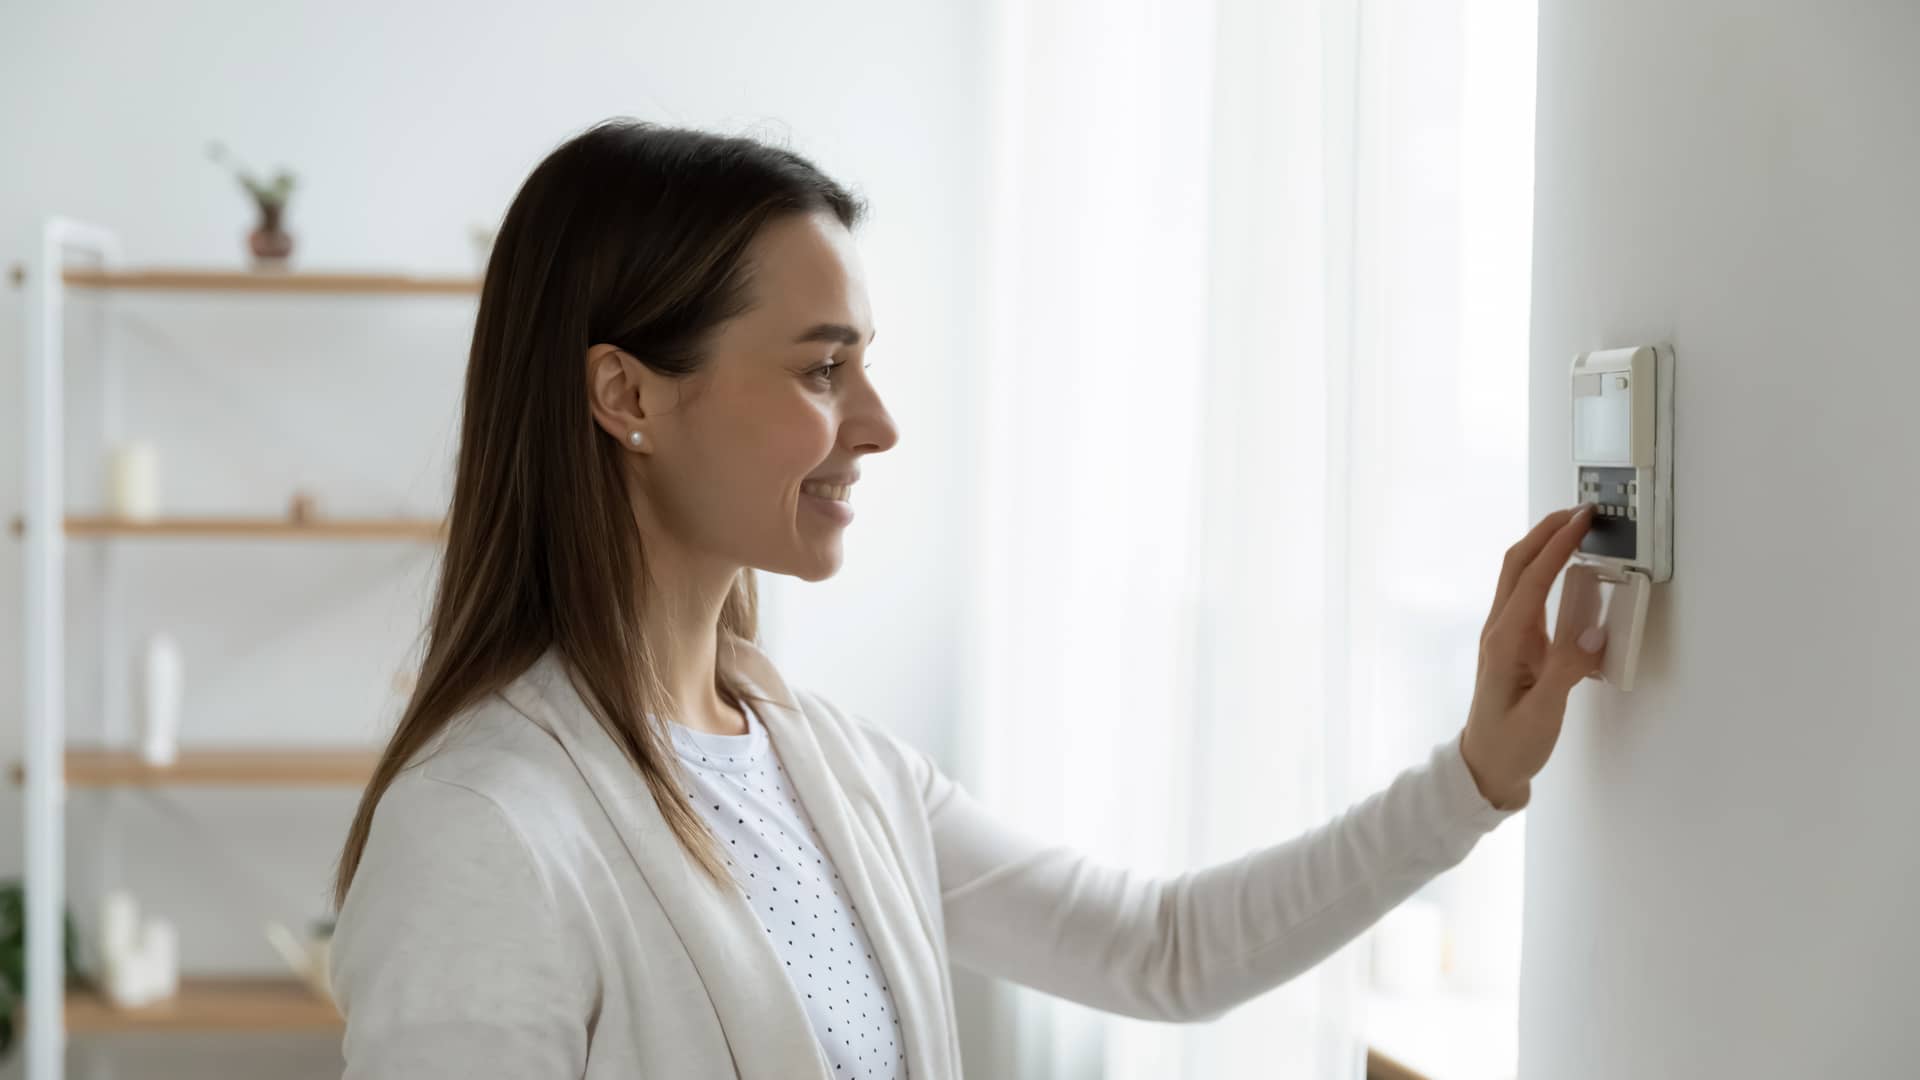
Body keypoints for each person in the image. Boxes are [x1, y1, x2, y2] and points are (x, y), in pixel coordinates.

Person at [328, 119, 1606, 1080]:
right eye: (824, 369)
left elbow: (1165, 950)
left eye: (864, 367)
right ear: (629, 396)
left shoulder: (829, 769)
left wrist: (1476, 775)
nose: (876, 425)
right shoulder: (484, 830)